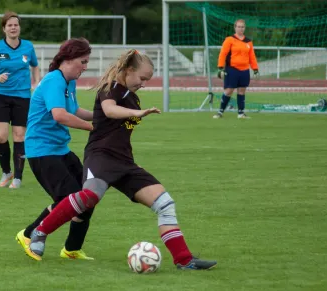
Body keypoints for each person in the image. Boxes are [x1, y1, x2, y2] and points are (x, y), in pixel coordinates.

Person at [28, 49, 217, 270]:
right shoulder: (111, 90)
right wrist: (136, 114)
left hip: (124, 161)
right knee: (89, 196)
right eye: (142, 78)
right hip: (100, 156)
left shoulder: (131, 96)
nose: (144, 83)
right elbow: (108, 111)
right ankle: (40, 232)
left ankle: (184, 260)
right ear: (129, 71)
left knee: (165, 204)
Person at [14, 38, 95, 262]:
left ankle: (72, 249)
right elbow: (59, 114)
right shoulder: (53, 81)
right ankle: (29, 234)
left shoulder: (69, 82)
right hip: (42, 150)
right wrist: (92, 127)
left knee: (88, 196)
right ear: (69, 59)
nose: (85, 67)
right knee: (68, 199)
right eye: (83, 61)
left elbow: (74, 109)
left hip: (60, 148)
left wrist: (102, 116)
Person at [0, 11, 40, 189]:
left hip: (22, 96)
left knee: (19, 136)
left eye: (16, 25)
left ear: (19, 27)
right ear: (4, 28)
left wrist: (36, 83)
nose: (13, 28)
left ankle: (18, 178)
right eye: (10, 25)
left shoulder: (28, 47)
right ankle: (6, 172)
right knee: (0, 136)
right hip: (0, 95)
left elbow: (34, 66)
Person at [214, 19, 259, 119]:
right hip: (232, 69)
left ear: (245, 28)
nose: (240, 29)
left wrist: (255, 68)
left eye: (242, 27)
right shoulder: (229, 39)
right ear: (235, 27)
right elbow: (223, 54)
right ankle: (220, 112)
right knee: (229, 90)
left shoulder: (248, 42)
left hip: (244, 70)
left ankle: (241, 113)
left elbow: (252, 56)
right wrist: (220, 68)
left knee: (242, 90)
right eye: (239, 26)